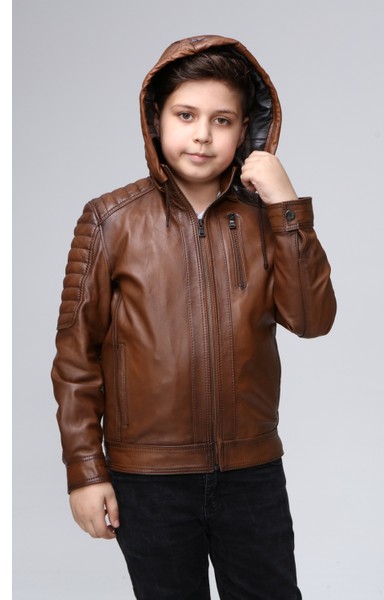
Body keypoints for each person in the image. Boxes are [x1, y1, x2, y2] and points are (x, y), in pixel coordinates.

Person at [51, 34, 336, 600]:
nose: (202, 134)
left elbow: (312, 318)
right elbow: (76, 357)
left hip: (251, 470)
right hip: (148, 478)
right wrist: (85, 471)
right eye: (186, 115)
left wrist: (286, 207)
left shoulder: (265, 219)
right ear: (156, 119)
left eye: (221, 120)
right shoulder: (110, 219)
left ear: (246, 130)